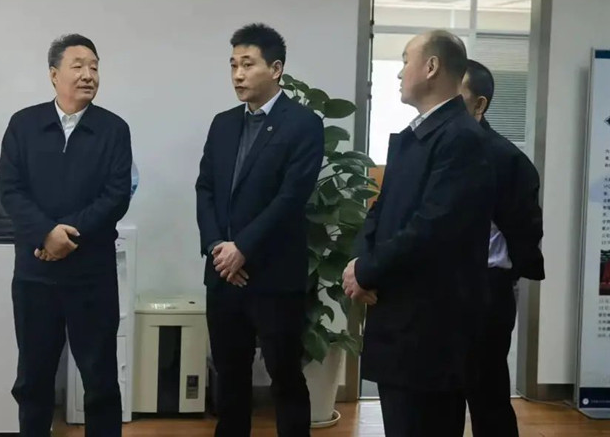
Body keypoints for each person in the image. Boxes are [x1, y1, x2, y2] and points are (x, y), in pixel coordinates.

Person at [342, 30, 495, 437]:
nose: (399, 73)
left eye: (405, 60)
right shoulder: (417, 135)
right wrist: (360, 261)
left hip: (431, 330)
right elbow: (381, 208)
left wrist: (368, 271)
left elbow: (431, 227)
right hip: (401, 320)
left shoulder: (462, 139)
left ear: (431, 67)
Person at [0, 34, 131, 437]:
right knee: (33, 379)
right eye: (78, 66)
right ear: (54, 74)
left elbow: (116, 196)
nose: (88, 74)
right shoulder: (24, 124)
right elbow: (10, 190)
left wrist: (67, 236)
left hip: (92, 275)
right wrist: (45, 233)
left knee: (100, 379)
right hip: (35, 275)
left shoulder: (113, 129)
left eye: (94, 67)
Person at [196, 23, 324, 437]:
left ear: (276, 68)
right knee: (229, 375)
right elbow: (205, 189)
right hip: (224, 273)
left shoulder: (303, 124)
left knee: (284, 375)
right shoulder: (223, 124)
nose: (238, 75)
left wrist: (244, 249)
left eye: (248, 65)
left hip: (273, 275)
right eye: (233, 65)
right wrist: (218, 246)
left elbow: (290, 198)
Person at [460, 59, 545, 437]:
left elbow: (527, 230)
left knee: (488, 393)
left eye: (455, 97)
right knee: (438, 394)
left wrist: (509, 276)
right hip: (437, 288)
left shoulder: (507, 159)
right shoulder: (427, 148)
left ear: (479, 105)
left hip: (487, 287)